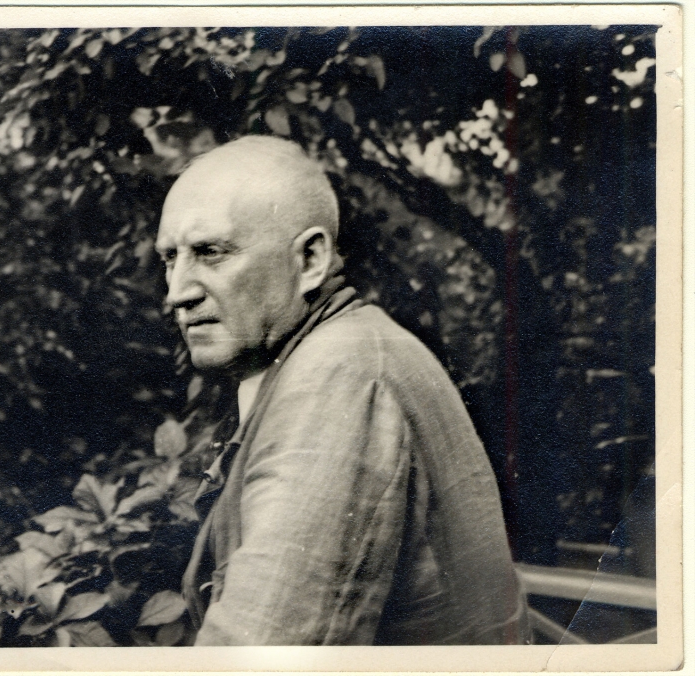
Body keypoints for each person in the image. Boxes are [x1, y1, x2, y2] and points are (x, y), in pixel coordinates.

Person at [155, 135, 529, 645]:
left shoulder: (341, 377)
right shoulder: (335, 354)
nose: (177, 292)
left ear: (310, 259)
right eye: (169, 259)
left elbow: (259, 649)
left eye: (210, 253)